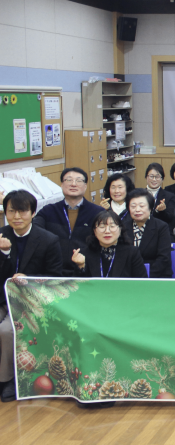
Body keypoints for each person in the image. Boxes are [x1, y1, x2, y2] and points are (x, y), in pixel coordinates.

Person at [0, 190, 64, 402]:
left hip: (30, 300)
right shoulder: (1, 235)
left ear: (33, 213)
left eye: (22, 211)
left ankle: (8, 380)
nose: (17, 216)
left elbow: (55, 276)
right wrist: (4, 254)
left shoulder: (48, 239)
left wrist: (30, 279)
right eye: (11, 211)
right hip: (3, 298)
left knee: (6, 331)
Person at [34, 168, 105, 276]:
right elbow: (33, 231)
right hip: (53, 271)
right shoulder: (48, 211)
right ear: (62, 185)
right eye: (69, 180)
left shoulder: (98, 213)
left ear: (85, 186)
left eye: (79, 180)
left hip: (86, 270)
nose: (73, 184)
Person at [73, 209, 147, 278]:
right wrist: (81, 266)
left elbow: (142, 282)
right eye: (102, 226)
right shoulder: (84, 254)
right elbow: (77, 285)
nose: (107, 231)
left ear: (120, 229)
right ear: (94, 231)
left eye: (112, 226)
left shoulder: (132, 253)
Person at [124, 189, 172, 278]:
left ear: (150, 208)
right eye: (133, 206)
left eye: (141, 206)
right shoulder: (123, 227)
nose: (137, 210)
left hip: (155, 275)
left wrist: (145, 276)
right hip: (129, 276)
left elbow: (164, 258)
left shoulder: (161, 227)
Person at [143, 163, 175, 228]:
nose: (154, 179)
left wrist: (162, 211)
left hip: (160, 229)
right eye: (151, 176)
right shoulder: (139, 194)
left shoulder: (169, 196)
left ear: (162, 179)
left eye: (157, 177)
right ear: (146, 177)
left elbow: (170, 219)